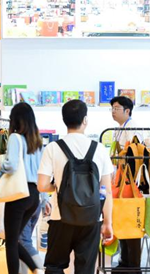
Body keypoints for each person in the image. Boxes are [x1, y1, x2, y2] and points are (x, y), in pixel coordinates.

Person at [37, 100, 114, 275]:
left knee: (54, 266)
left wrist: (56, 186)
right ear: (85, 120)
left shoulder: (53, 148)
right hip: (92, 218)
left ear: (64, 120)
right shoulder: (100, 149)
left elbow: (42, 185)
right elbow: (106, 191)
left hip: (60, 216)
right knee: (85, 269)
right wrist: (107, 223)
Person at [0, 102, 43, 274]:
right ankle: (36, 268)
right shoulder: (38, 141)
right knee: (14, 240)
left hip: (18, 194)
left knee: (11, 243)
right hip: (34, 195)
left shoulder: (15, 138)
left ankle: (34, 268)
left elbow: (12, 165)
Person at [109, 94, 141, 272]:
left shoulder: (133, 127)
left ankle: (133, 266)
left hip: (131, 182)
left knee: (131, 222)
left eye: (117, 108)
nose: (113, 112)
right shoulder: (118, 128)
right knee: (121, 218)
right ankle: (124, 261)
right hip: (120, 180)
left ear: (127, 111)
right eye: (112, 108)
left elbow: (136, 154)